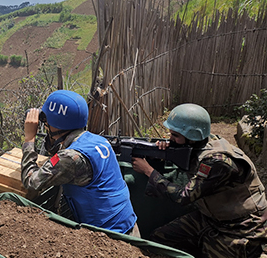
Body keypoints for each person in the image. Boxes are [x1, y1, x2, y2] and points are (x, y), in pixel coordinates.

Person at [132, 103, 267, 257]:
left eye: (175, 136)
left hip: (241, 226)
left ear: (192, 138)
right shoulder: (200, 145)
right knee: (159, 238)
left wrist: (149, 171)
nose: (171, 139)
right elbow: (188, 161)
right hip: (210, 217)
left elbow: (183, 196)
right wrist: (161, 153)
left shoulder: (218, 161)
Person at [21, 90, 139, 236]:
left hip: (110, 238)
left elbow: (31, 181)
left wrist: (29, 140)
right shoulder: (97, 140)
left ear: (57, 125)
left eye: (47, 122)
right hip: (129, 227)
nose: (45, 125)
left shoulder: (71, 158)